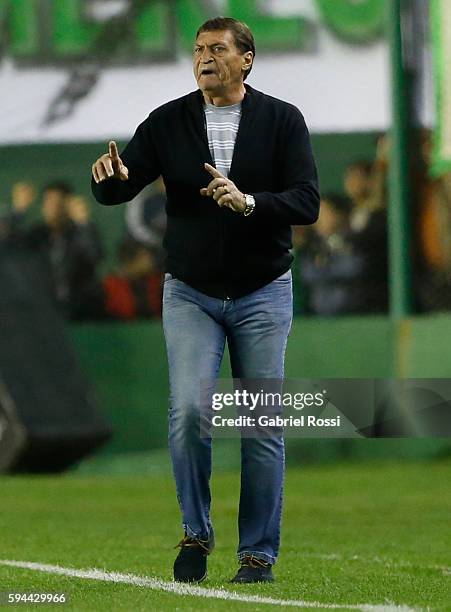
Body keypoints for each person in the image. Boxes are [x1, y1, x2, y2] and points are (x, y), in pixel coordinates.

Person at [91, 16, 319, 584]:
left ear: (247, 59)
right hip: (190, 290)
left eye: (218, 49)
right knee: (190, 411)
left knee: (261, 422)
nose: (204, 58)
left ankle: (258, 555)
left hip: (264, 289)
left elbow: (307, 201)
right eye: (197, 49)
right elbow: (123, 184)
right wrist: (108, 179)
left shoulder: (282, 119)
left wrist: (248, 203)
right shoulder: (168, 121)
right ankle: (196, 533)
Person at [6, 181, 104, 320]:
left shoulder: (80, 234)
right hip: (41, 312)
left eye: (59, 202)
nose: (54, 208)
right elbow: (8, 247)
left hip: (80, 312)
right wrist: (18, 211)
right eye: (49, 202)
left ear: (68, 206)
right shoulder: (35, 236)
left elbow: (95, 255)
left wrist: (84, 222)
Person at [103, 239, 163, 320]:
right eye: (145, 257)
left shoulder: (155, 282)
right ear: (131, 261)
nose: (150, 261)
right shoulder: (109, 287)